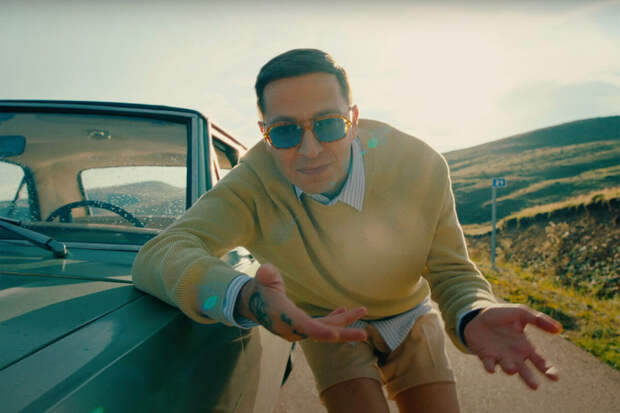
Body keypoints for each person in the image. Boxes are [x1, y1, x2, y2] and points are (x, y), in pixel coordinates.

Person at [132, 48, 563, 413]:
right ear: (263, 133)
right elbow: (162, 252)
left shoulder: (419, 166)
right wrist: (250, 298)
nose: (310, 149)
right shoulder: (252, 184)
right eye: (284, 132)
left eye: (328, 124)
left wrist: (475, 312)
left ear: (353, 120)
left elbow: (451, 271)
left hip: (409, 313)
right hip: (324, 322)